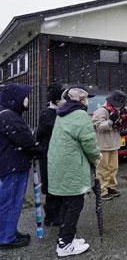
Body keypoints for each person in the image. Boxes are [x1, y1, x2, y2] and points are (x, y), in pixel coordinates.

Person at [48, 86, 101, 256]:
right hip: (71, 167)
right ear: (81, 100)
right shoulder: (80, 115)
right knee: (74, 205)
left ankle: (65, 238)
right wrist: (96, 157)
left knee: (66, 204)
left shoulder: (62, 113)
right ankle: (65, 245)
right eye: (86, 98)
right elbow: (89, 143)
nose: (88, 101)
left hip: (60, 165)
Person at [0, 84, 38, 250]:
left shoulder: (7, 114)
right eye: (25, 96)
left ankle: (9, 231)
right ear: (15, 98)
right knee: (11, 202)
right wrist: (38, 149)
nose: (27, 99)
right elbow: (26, 140)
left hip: (11, 164)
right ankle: (6, 237)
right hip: (13, 165)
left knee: (9, 201)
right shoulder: (9, 116)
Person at [36, 83, 66, 226]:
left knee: (58, 185)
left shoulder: (59, 113)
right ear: (56, 100)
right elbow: (43, 134)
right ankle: (51, 216)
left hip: (56, 154)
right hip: (48, 155)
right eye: (63, 98)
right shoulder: (47, 114)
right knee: (51, 186)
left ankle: (56, 214)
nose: (65, 101)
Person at [93, 90, 127, 201]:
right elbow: (97, 126)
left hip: (114, 144)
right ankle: (102, 191)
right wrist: (110, 121)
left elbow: (122, 128)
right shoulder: (102, 111)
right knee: (103, 169)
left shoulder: (120, 111)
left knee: (113, 168)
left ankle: (110, 187)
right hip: (103, 145)